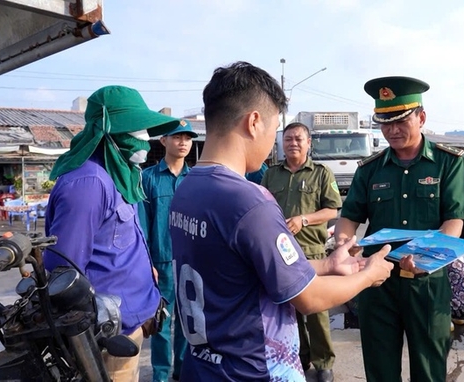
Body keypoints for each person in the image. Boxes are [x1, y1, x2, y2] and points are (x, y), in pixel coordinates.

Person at [168, 61, 393, 381]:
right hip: (252, 370)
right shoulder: (248, 200)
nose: (277, 141)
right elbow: (310, 298)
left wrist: (328, 265)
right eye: (275, 129)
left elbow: (245, 272)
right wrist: (368, 276)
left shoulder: (186, 189)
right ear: (254, 122)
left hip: (204, 366)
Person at [333, 76, 464, 382]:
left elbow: (455, 219)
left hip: (425, 282)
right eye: (385, 123)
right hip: (375, 281)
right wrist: (343, 244)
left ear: (421, 118)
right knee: (380, 368)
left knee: (429, 369)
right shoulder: (370, 169)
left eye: (400, 121)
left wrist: (429, 257)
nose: (392, 130)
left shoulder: (447, 163)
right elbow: (349, 217)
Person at [44, 85, 181, 381]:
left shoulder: (118, 174)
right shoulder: (88, 184)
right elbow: (64, 272)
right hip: (104, 341)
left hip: (127, 325)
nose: (145, 139)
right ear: (109, 130)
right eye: (137, 129)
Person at [261, 122, 342, 382]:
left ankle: (323, 363)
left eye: (298, 139)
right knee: (289, 309)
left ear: (309, 143)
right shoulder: (271, 174)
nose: (292, 143)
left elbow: (332, 210)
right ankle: (300, 356)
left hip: (311, 250)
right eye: (288, 139)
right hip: (280, 252)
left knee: (317, 310)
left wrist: (304, 219)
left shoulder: (321, 173)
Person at [139, 120, 198, 382]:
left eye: (187, 137)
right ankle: (161, 374)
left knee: (188, 320)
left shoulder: (196, 179)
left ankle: (183, 369)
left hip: (191, 261)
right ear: (164, 141)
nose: (183, 142)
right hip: (160, 262)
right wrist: (145, 262)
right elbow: (141, 224)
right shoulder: (148, 178)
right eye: (177, 137)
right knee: (161, 321)